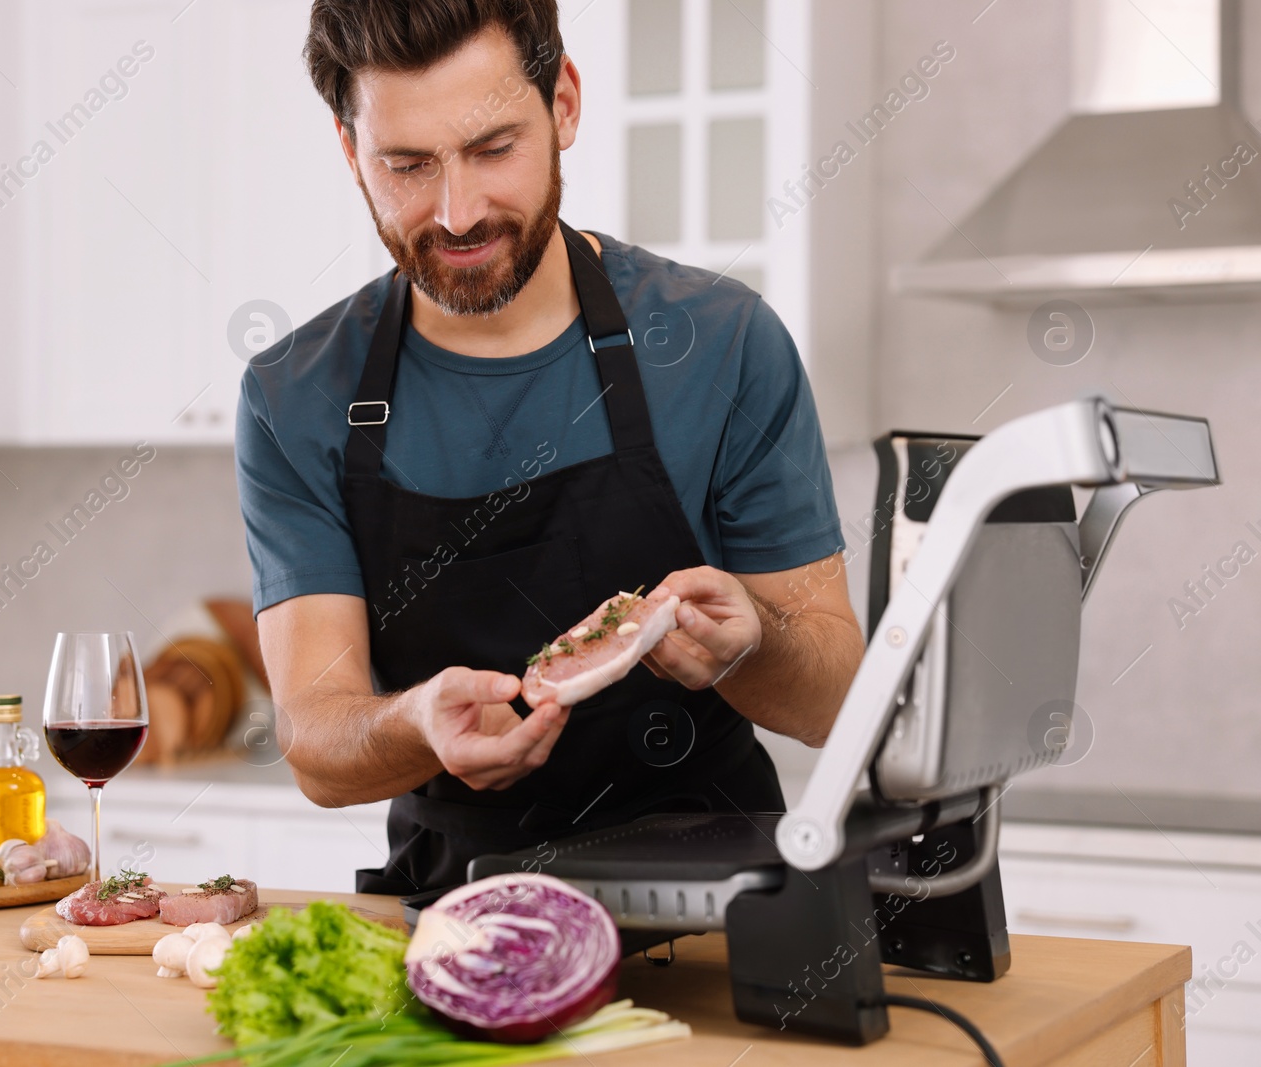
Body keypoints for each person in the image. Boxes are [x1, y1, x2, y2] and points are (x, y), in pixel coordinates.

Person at [235, 0, 865, 894]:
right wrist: (418, 725)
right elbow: (315, 745)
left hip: (727, 911)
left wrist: (753, 644)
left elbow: (839, 694)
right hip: (451, 919)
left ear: (563, 103)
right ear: (350, 153)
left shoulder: (723, 342)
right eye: (407, 165)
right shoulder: (294, 396)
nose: (456, 213)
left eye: (494, 149)